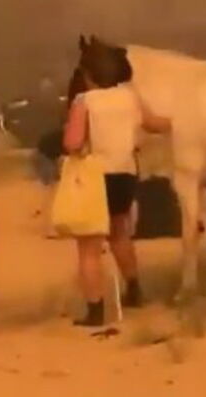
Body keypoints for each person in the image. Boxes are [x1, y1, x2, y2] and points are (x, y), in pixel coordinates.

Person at [62, 57, 143, 327]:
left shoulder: (85, 101)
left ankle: (95, 309)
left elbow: (73, 142)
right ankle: (134, 289)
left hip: (97, 176)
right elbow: (151, 123)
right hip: (126, 172)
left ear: (89, 76)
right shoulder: (130, 97)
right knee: (120, 233)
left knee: (89, 246)